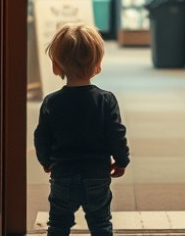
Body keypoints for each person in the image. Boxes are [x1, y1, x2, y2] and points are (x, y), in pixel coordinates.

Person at [34, 23, 130, 236]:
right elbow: (116, 133)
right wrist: (122, 160)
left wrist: (46, 160)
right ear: (98, 63)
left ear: (56, 65)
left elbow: (42, 136)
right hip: (97, 174)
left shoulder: (52, 102)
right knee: (101, 224)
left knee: (58, 225)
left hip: (62, 175)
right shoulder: (106, 100)